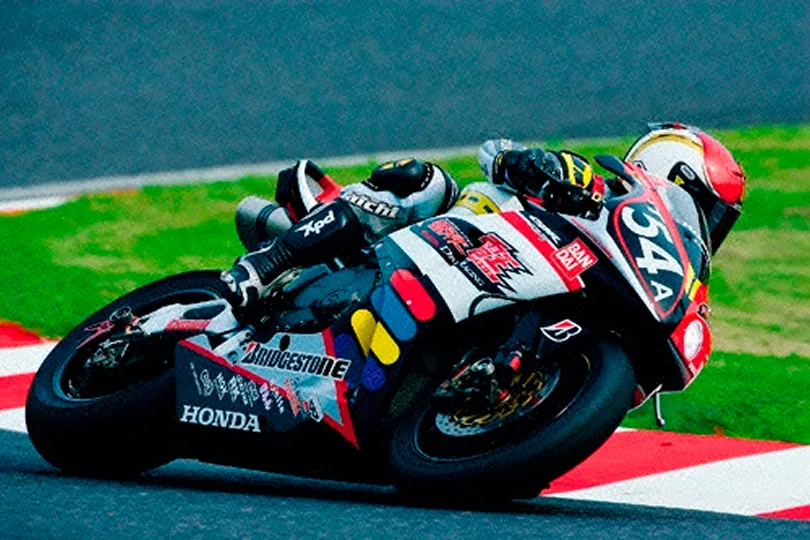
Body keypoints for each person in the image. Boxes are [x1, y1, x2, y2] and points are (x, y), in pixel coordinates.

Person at [222, 123, 745, 309]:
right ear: (669, 171)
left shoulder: (657, 280)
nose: (705, 225)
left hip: (491, 296)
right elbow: (493, 152)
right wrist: (525, 165)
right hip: (439, 247)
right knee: (423, 180)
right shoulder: (586, 182)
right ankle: (268, 264)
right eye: (705, 208)